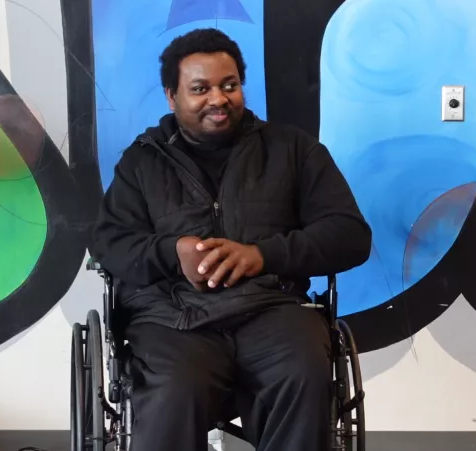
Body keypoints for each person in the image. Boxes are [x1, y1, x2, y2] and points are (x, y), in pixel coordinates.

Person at [90, 28, 372, 451]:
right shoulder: (142, 162)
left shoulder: (292, 150)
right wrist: (172, 253)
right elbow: (109, 243)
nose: (218, 100)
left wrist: (263, 255)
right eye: (200, 89)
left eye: (229, 85)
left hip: (272, 310)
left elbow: (350, 234)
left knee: (304, 372)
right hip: (172, 320)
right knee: (173, 390)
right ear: (172, 96)